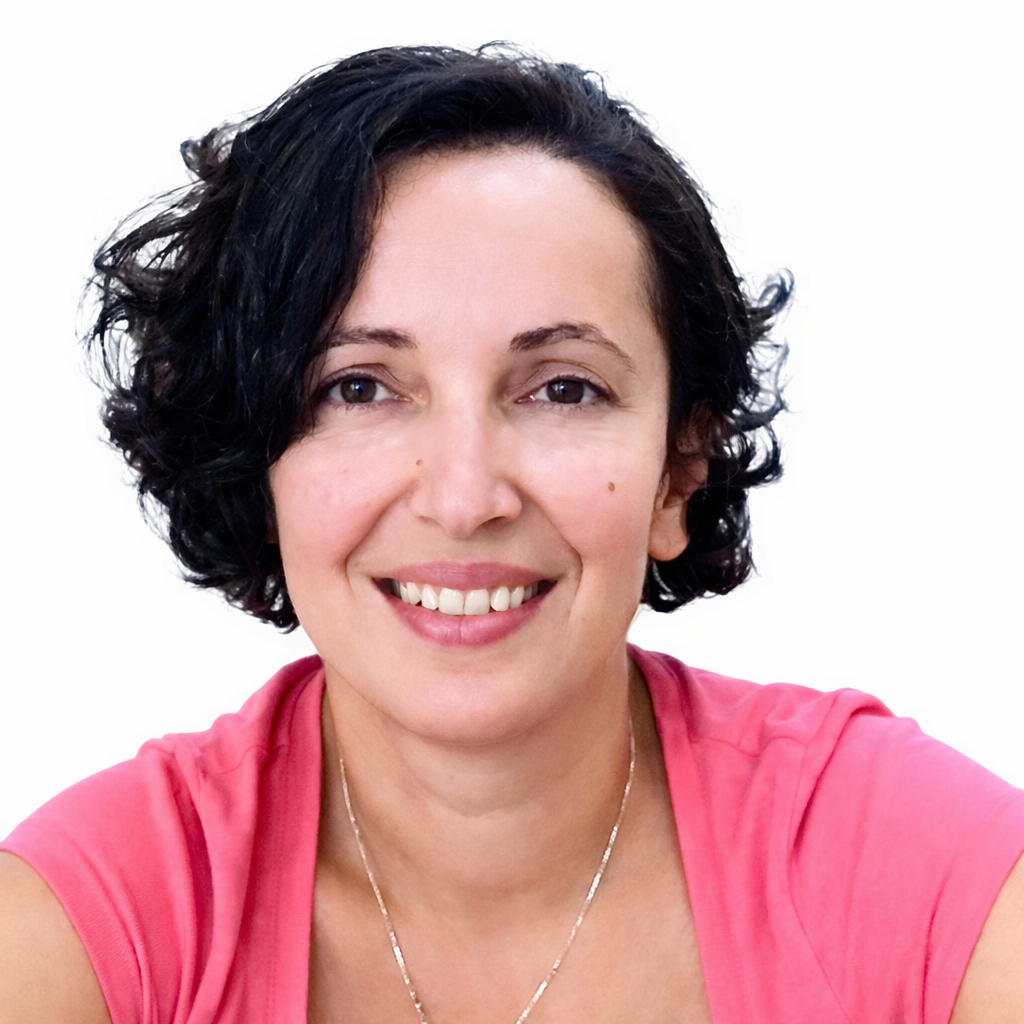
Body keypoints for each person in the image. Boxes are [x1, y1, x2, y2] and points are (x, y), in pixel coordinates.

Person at [1, 44, 1022, 1024]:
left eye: (561, 388)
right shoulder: (93, 918)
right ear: (254, 457)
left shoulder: (911, 861)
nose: (463, 494)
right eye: (360, 387)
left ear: (678, 469)